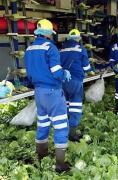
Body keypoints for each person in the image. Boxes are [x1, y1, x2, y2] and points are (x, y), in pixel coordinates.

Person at [24, 19, 71, 172]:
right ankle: (60, 164)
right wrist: (65, 74)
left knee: (43, 123)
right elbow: (57, 72)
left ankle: (41, 156)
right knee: (61, 126)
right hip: (53, 93)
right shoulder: (50, 48)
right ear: (49, 34)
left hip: (39, 93)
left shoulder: (29, 49)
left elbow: (29, 75)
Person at [60, 29, 93, 142]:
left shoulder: (62, 49)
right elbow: (86, 67)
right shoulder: (80, 49)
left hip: (63, 80)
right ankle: (72, 133)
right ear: (78, 39)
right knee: (76, 105)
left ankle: (64, 128)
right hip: (75, 80)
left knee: (66, 104)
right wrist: (90, 70)